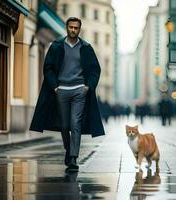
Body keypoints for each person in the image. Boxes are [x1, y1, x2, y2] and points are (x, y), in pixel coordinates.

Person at [29, 17, 105, 172]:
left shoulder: (86, 48)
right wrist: (55, 87)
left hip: (79, 91)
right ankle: (68, 149)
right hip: (61, 91)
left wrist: (87, 87)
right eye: (71, 27)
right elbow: (48, 67)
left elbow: (95, 69)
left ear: (79, 29)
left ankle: (73, 158)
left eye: (76, 28)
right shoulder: (56, 46)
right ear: (66, 27)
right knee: (64, 125)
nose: (73, 30)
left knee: (75, 123)